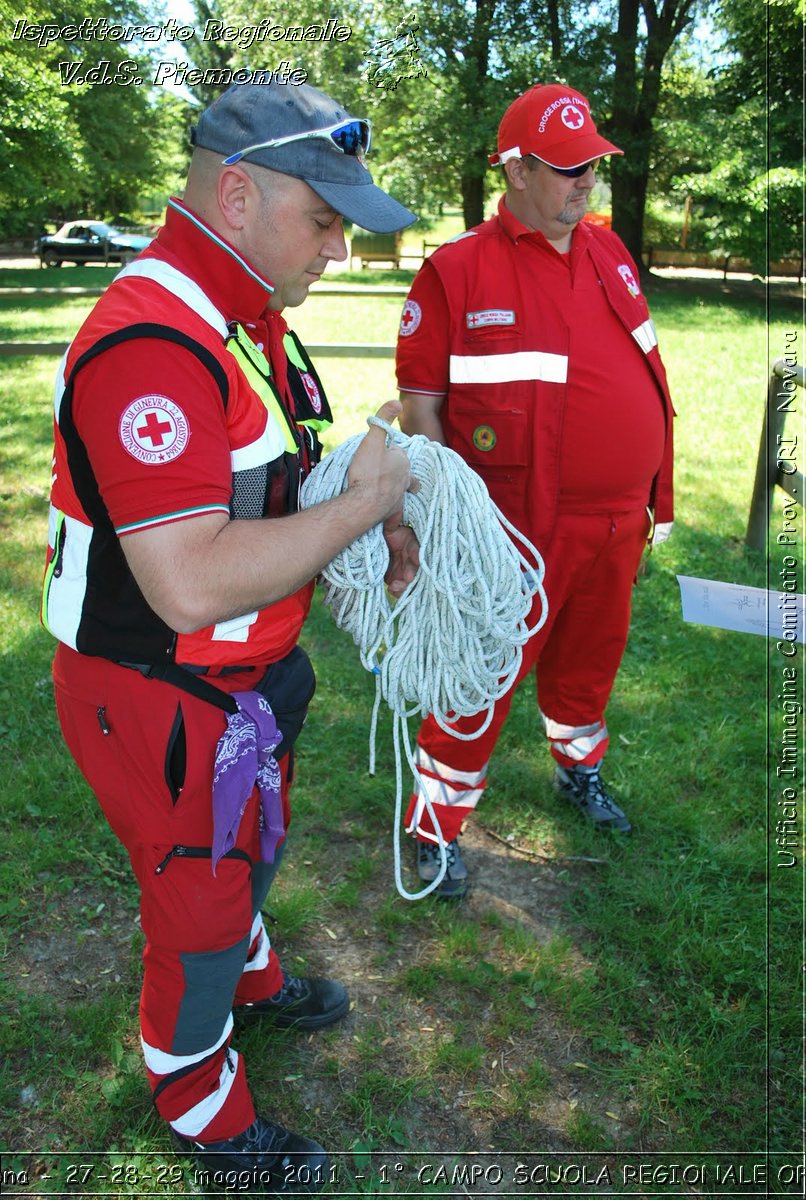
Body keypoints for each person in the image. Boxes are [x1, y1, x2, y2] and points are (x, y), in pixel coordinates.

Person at [42, 80, 418, 1190]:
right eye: (325, 218)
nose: (339, 249)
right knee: (197, 896)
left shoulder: (243, 317)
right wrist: (357, 506)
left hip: (239, 684)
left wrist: (371, 505)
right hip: (163, 690)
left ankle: (247, 981)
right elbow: (190, 581)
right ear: (240, 194)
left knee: (245, 853)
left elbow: (266, 485)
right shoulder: (152, 341)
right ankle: (198, 1098)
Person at [395, 83, 674, 899]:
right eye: (565, 166)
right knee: (479, 678)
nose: (585, 179)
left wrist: (652, 492)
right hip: (515, 535)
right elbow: (422, 414)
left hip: (615, 523)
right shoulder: (456, 271)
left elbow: (645, 374)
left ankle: (578, 770)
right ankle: (433, 827)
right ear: (514, 170)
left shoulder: (610, 251)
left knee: (591, 665)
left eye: (592, 162)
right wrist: (438, 530)